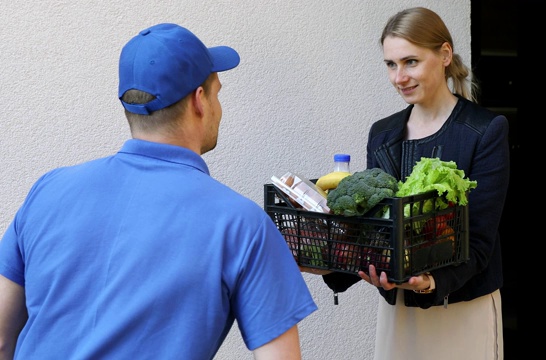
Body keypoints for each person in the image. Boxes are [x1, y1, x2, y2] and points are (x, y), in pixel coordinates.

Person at [0, 23, 317, 359]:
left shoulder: (48, 191)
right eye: (217, 93)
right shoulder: (242, 224)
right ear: (199, 101)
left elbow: (3, 339)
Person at [309, 7, 510, 359]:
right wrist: (328, 260)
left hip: (464, 309)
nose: (399, 77)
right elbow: (376, 231)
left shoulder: (484, 131)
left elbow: (479, 241)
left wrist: (430, 282)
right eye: (391, 64)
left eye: (410, 62)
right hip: (399, 310)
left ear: (444, 55)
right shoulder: (383, 133)